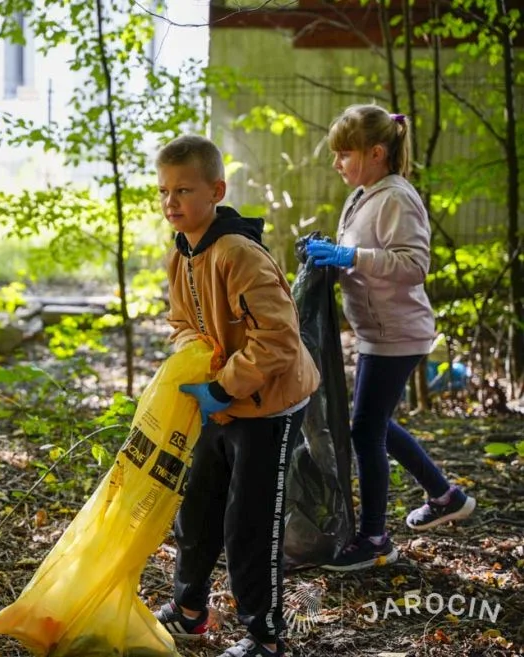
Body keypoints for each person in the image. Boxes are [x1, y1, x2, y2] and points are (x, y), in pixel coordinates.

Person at [153, 135, 320, 657]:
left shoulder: (237, 254)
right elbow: (182, 324)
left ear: (216, 190)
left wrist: (224, 388)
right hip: (218, 399)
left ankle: (265, 636)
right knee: (198, 506)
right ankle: (189, 610)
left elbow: (278, 339)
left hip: (268, 404)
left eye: (183, 190)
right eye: (162, 191)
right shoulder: (181, 254)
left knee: (250, 520)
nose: (170, 202)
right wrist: (205, 374)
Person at [305, 104, 476, 572]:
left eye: (344, 154)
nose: (336, 163)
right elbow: (358, 256)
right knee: (372, 423)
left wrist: (349, 255)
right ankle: (445, 495)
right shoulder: (364, 193)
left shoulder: (398, 197)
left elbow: (413, 266)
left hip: (399, 333)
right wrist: (329, 259)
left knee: (365, 428)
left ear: (376, 152)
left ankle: (375, 537)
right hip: (377, 333)